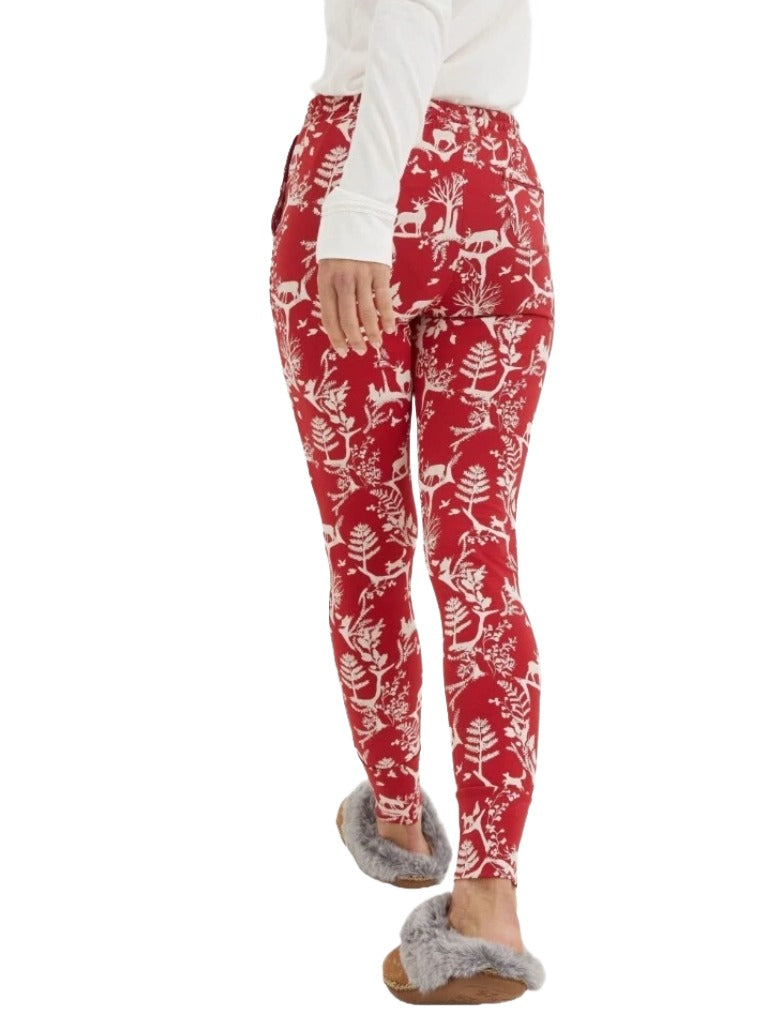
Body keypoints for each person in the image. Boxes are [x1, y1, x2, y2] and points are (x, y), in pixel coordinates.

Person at [268, 0, 554, 1002]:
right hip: (496, 193)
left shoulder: (363, 183)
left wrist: (359, 209)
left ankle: (396, 814)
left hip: (367, 168)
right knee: (480, 554)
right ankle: (488, 896)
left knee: (367, 535)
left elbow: (409, 17)